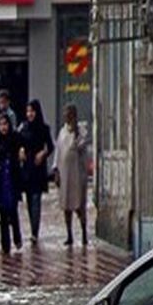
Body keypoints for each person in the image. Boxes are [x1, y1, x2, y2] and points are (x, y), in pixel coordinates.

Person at [18, 99, 54, 244]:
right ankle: (33, 228)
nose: (29, 114)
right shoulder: (23, 128)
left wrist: (43, 154)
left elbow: (50, 146)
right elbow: (18, 143)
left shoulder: (44, 128)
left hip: (38, 168)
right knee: (28, 200)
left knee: (36, 200)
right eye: (28, 111)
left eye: (32, 111)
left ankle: (35, 232)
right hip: (27, 168)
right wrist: (20, 150)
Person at [0, 113, 24, 255]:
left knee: (13, 211)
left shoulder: (15, 138)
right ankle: (5, 245)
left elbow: (23, 145)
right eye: (1, 125)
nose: (3, 127)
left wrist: (21, 152)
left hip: (12, 179)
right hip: (1, 180)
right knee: (2, 214)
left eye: (5, 124)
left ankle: (17, 237)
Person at [53, 104, 90, 247]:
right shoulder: (62, 132)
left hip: (77, 174)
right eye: (65, 114)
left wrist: (75, 133)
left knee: (79, 205)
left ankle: (84, 234)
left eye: (69, 114)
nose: (66, 116)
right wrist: (56, 170)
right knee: (66, 205)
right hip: (64, 174)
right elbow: (58, 151)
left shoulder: (81, 131)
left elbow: (80, 145)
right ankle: (69, 235)